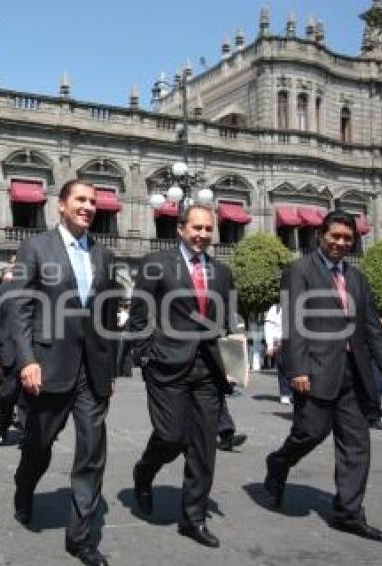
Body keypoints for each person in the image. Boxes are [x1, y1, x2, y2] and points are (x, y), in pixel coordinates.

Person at [264, 210, 382, 544]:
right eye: (335, 236)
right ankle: (279, 463)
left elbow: (371, 329)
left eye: (347, 238)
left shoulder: (357, 279)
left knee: (357, 445)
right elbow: (293, 321)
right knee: (309, 434)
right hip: (314, 371)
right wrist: (296, 368)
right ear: (321, 235)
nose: (341, 243)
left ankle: (348, 513)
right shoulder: (300, 271)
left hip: (354, 376)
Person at [12, 179, 119, 566]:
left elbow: (108, 318)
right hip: (48, 365)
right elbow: (20, 307)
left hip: (92, 373)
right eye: (80, 200)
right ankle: (24, 488)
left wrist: (110, 372)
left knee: (92, 452)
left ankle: (80, 539)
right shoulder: (36, 247)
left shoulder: (105, 256)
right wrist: (27, 360)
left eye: (94, 201)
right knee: (37, 449)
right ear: (61, 205)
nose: (88, 206)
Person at [129, 204, 235, 548]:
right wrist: (146, 356)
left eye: (208, 229)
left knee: (204, 446)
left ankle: (193, 518)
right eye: (197, 228)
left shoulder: (222, 272)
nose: (203, 235)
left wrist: (233, 364)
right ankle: (143, 473)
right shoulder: (157, 264)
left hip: (209, 368)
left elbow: (226, 321)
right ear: (180, 229)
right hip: (166, 364)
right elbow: (139, 315)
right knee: (171, 436)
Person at [0, 256, 21, 446]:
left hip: (35, 352)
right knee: (8, 394)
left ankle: (28, 431)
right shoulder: (4, 290)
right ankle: (3, 426)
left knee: (31, 397)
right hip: (10, 351)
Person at [264, 303, 289, 403]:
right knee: (283, 367)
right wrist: (270, 345)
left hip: (295, 342)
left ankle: (294, 392)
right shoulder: (275, 308)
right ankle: (285, 393)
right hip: (279, 342)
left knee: (296, 367)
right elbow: (268, 328)